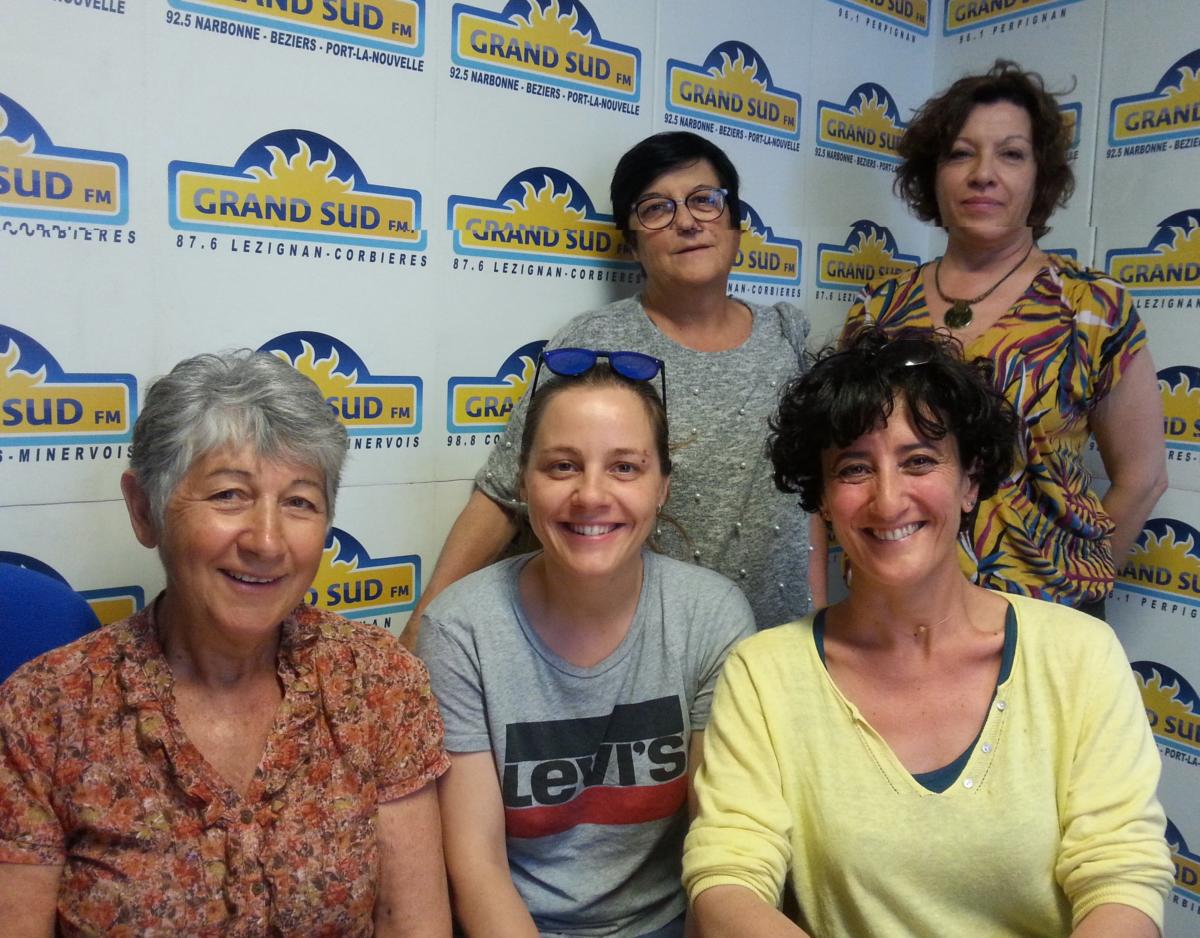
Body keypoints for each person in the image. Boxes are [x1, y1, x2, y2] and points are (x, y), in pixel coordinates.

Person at [682, 327, 1172, 937]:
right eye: (855, 469)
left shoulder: (1079, 656)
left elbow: (1120, 876)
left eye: (919, 461)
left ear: (970, 481)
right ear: (825, 500)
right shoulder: (764, 674)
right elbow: (728, 875)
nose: (888, 501)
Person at [0, 351, 452, 937]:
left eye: (299, 503)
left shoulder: (378, 683)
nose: (266, 541)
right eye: (229, 495)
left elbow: (412, 925)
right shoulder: (45, 711)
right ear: (144, 510)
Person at [404, 131, 815, 644]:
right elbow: (505, 491)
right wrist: (422, 628)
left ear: (736, 225)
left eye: (706, 201)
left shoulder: (788, 334)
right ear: (632, 242)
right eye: (657, 209)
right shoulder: (596, 343)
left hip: (774, 642)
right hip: (643, 652)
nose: (687, 222)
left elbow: (810, 497)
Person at [417, 353, 755, 937]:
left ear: (662, 487)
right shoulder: (460, 629)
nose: (590, 495)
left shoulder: (712, 616)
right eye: (562, 466)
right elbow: (477, 866)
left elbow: (719, 852)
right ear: (524, 481)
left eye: (624, 467)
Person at [843, 60, 1166, 617]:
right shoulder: (880, 312)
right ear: (931, 174)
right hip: (899, 612)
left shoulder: (1090, 307)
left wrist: (1078, 585)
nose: (983, 174)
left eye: (1011, 154)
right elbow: (849, 466)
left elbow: (1143, 477)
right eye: (960, 153)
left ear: (1041, 176)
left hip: (1046, 619)